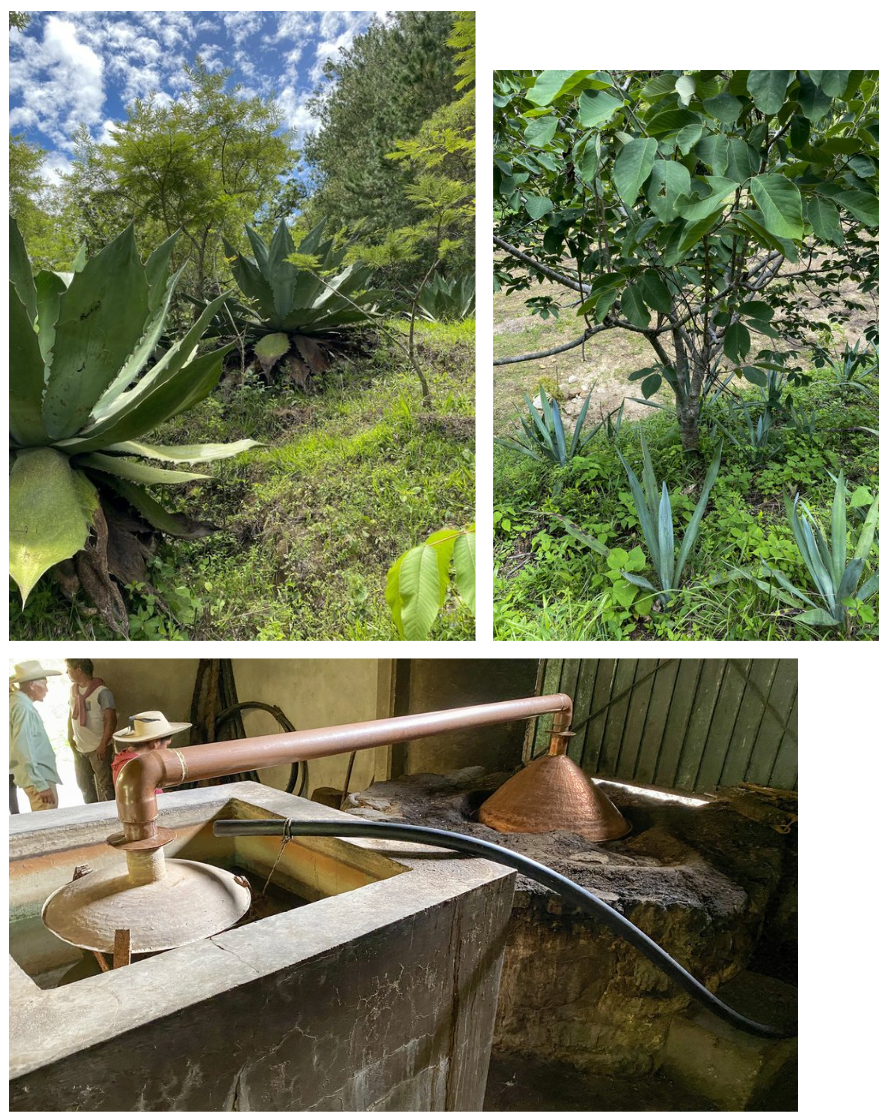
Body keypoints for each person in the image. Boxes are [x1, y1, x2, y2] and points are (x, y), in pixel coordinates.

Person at [9, 661, 64, 812]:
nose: (47, 689)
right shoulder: (22, 707)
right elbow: (23, 746)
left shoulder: (17, 703)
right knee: (47, 818)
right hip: (39, 776)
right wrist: (40, 783)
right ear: (32, 685)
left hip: (37, 775)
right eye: (44, 684)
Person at [65, 659, 116, 803]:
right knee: (84, 785)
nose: (66, 672)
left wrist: (103, 744)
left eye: (69, 669)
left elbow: (111, 720)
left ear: (79, 670)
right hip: (80, 747)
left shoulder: (102, 692)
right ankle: (92, 812)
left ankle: (112, 812)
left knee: (106, 785)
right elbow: (71, 714)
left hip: (98, 747)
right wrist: (70, 736)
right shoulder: (73, 690)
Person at [112, 711, 192, 793]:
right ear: (155, 742)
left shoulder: (122, 758)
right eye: (167, 745)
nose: (166, 749)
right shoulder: (141, 767)